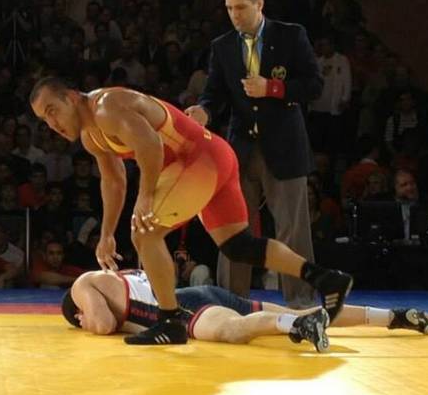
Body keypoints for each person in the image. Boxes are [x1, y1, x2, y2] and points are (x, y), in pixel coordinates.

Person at [30, 77, 351, 346]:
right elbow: (114, 181)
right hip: (214, 155)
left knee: (145, 230)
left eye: (53, 110)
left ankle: (171, 322)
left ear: (72, 97)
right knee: (239, 246)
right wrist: (106, 234)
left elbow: (151, 146)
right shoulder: (91, 137)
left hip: (197, 160)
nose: (52, 124)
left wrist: (145, 198)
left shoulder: (107, 108)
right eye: (45, 119)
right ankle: (326, 278)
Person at [186, 0, 323, 307]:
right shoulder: (222, 46)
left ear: (259, 4)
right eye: (229, 8)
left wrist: (273, 88)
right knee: (234, 229)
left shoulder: (290, 36)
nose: (235, 15)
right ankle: (230, 302)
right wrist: (204, 111)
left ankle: (302, 303)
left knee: (292, 230)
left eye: (241, 7)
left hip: (284, 147)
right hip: (241, 150)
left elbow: (314, 85)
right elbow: (214, 93)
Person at [61, 269, 428, 352]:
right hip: (198, 292)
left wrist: (85, 319)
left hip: (183, 308)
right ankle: (393, 317)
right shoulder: (112, 278)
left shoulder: (82, 284)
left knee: (235, 331)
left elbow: (103, 324)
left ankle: (299, 326)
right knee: (295, 307)